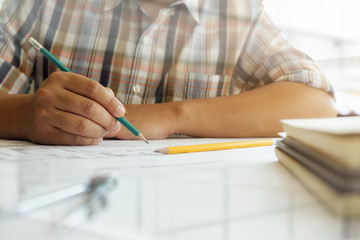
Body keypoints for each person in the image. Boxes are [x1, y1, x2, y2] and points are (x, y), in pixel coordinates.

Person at [0, 0, 337, 145]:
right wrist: (24, 115)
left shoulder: (236, 13)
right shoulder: (44, 4)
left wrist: (171, 116)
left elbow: (317, 104)